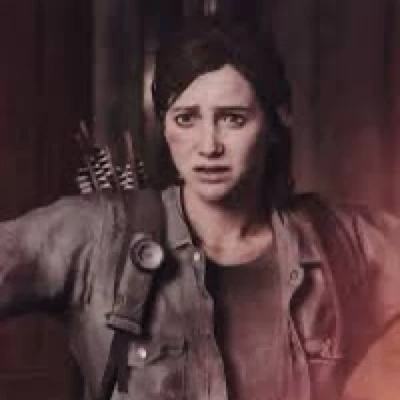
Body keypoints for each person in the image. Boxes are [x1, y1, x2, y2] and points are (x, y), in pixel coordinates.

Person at [0, 18, 400, 400]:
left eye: (233, 119)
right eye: (186, 118)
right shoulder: (98, 235)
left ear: (277, 121)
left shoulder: (341, 241)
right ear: (165, 124)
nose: (208, 146)